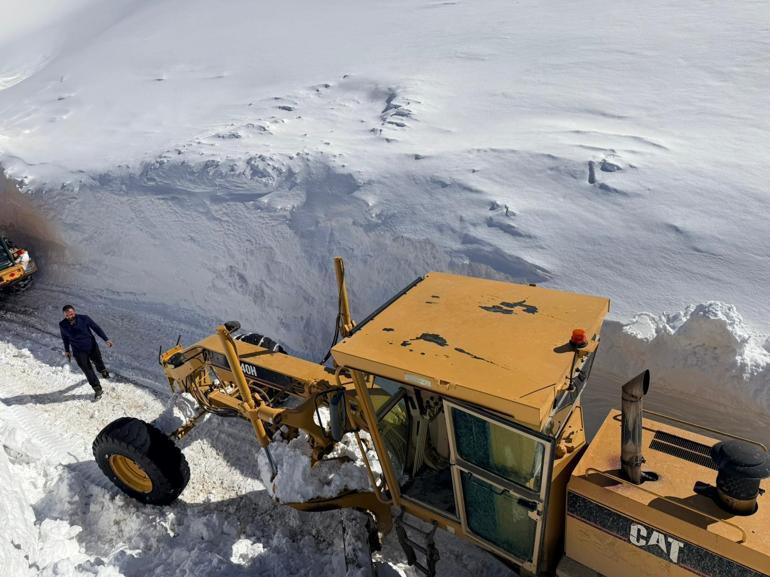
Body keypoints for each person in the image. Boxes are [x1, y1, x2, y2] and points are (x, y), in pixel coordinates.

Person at [59, 305, 113, 400]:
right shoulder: (62, 324)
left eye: (71, 314)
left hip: (91, 346)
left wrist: (106, 339)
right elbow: (65, 338)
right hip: (78, 350)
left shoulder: (84, 318)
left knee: (97, 360)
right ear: (64, 315)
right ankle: (97, 388)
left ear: (74, 312)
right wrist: (67, 350)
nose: (70, 317)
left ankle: (102, 371)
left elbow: (96, 328)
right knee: (87, 369)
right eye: (67, 315)